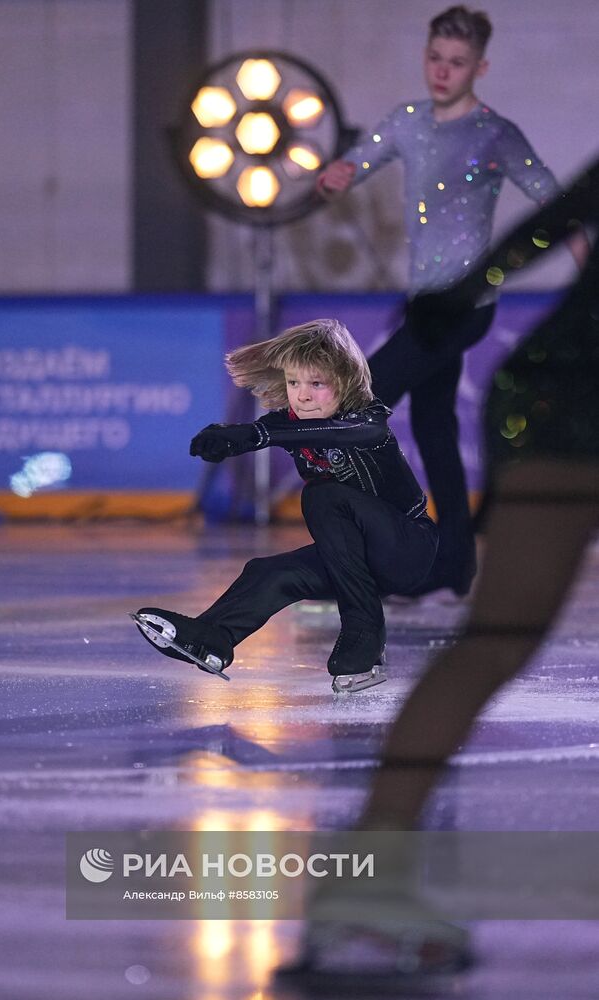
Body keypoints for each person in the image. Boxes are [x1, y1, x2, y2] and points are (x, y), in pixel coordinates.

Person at [282, 158, 599, 984]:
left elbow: (544, 225)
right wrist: (466, 287)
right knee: (496, 639)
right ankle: (369, 881)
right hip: (572, 402)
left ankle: (367, 880)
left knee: (492, 643)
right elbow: (550, 222)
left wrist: (466, 287)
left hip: (556, 392)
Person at [316, 4, 586, 597]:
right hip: (423, 303)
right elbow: (365, 157)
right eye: (435, 59)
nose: (442, 71)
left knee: (363, 403)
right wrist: (339, 172)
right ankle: (455, 563)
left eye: (456, 63)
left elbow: (550, 195)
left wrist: (581, 250)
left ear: (479, 68)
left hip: (467, 307)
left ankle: (371, 556)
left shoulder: (495, 133)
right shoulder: (408, 120)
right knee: (435, 427)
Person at [132, 318, 438, 693]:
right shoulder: (290, 424)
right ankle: (212, 637)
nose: (302, 395)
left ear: (344, 382)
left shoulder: (367, 419)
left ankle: (365, 633)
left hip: (409, 548)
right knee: (268, 573)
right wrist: (232, 438)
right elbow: (282, 429)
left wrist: (256, 435)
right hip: (359, 559)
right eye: (294, 383)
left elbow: (352, 433)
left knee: (322, 494)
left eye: (316, 383)